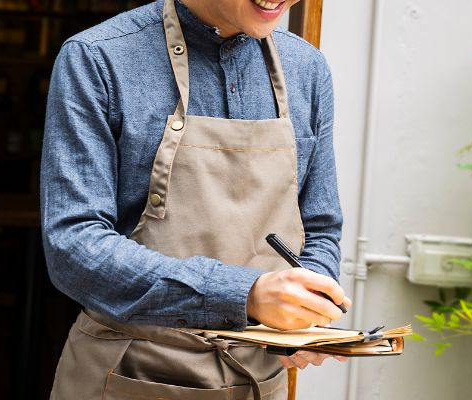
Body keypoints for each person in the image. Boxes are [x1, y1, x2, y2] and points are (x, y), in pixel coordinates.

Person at [41, 0, 351, 398]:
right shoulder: (99, 58)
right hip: (128, 374)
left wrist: (307, 311)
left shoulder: (306, 68)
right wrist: (246, 295)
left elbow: (320, 227)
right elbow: (73, 247)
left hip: (258, 379)